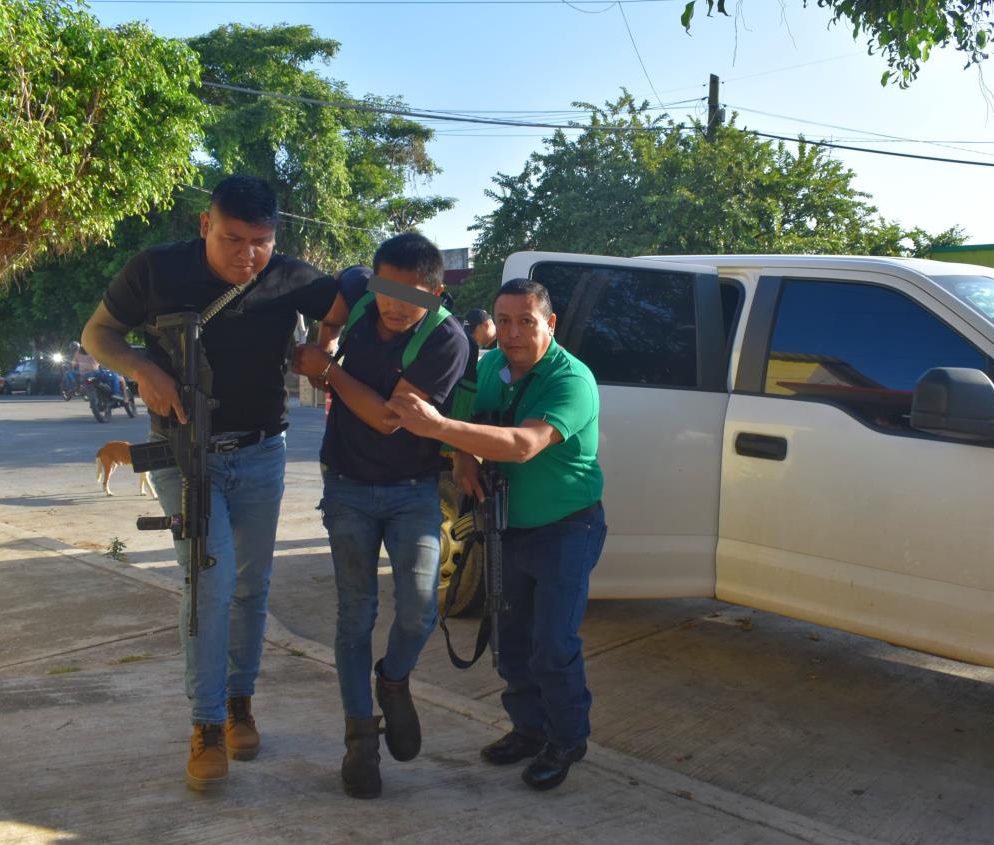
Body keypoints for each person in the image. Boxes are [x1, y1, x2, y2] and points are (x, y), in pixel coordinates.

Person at [81, 174, 344, 791]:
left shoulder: (290, 276)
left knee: (252, 587)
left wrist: (323, 346)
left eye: (261, 241)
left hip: (260, 454)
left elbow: (347, 304)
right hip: (181, 453)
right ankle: (203, 725)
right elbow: (98, 334)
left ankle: (238, 704)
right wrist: (143, 369)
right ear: (205, 224)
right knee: (208, 581)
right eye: (233, 238)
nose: (247, 254)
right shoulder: (155, 269)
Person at [387, 278, 606, 792]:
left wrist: (439, 429)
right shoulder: (488, 368)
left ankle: (568, 738)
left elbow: (522, 443)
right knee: (511, 644)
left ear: (549, 324)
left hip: (566, 528)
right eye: (503, 321)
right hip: (506, 526)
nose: (510, 333)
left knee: (552, 644)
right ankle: (529, 730)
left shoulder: (571, 379)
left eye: (525, 321)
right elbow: (470, 419)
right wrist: (461, 452)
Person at [291, 233, 468, 800]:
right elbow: (333, 313)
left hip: (413, 490)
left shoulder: (447, 340)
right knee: (355, 615)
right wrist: (327, 343)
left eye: (408, 295)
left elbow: (390, 419)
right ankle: (360, 740)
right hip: (345, 485)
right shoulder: (359, 290)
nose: (392, 304)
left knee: (420, 607)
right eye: (384, 288)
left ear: (436, 292)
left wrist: (329, 373)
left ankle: (392, 679)